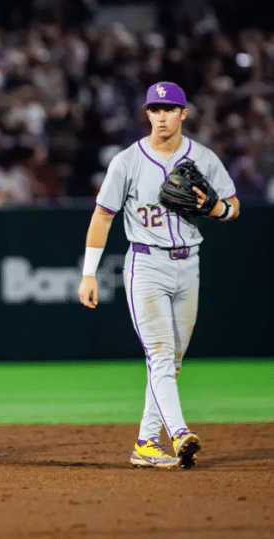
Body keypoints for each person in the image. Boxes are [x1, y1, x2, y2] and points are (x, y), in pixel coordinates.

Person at [77, 82, 239, 469]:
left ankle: (147, 442)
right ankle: (180, 433)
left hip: (189, 264)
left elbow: (233, 208)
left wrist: (216, 208)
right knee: (161, 355)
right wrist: (89, 273)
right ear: (147, 114)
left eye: (169, 109)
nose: (161, 116)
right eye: (154, 109)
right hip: (146, 265)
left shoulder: (203, 157)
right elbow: (103, 215)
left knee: (173, 360)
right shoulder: (127, 162)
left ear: (184, 114)